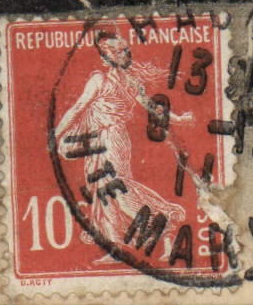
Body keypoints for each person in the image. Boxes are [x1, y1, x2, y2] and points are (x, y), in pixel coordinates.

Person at [54, 31, 189, 263]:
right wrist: (56, 134)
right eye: (119, 51)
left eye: (126, 50)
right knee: (103, 193)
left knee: (118, 192)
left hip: (113, 139)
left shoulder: (131, 82)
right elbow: (77, 108)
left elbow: (152, 108)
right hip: (98, 141)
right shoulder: (100, 80)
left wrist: (178, 119)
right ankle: (115, 248)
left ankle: (166, 222)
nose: (126, 54)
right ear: (107, 57)